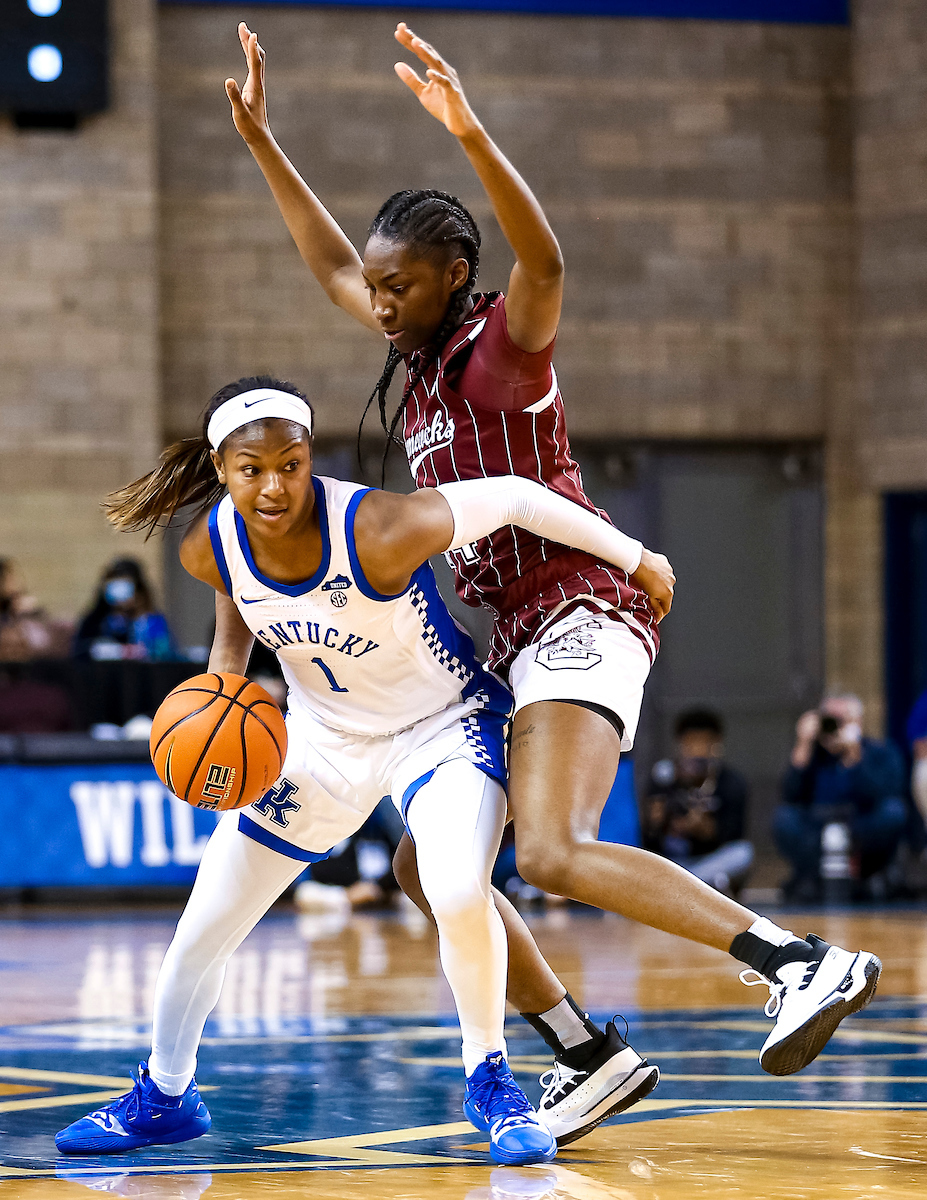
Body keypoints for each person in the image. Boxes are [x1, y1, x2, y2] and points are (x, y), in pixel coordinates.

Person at [227, 20, 882, 1108]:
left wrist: (470, 133)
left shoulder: (500, 351)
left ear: (452, 276)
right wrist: (260, 139)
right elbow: (333, 262)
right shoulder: (416, 362)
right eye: (377, 290)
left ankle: (799, 963)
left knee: (556, 853)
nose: (378, 304)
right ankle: (587, 1054)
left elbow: (547, 261)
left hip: (581, 605)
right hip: (518, 634)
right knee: (426, 868)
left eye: (399, 288)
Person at [56, 377, 672, 1162]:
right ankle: (165, 1095)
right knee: (206, 922)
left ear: (309, 455)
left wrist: (636, 557)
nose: (273, 487)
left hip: (441, 729)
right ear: (219, 468)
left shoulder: (377, 525)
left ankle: (490, 1082)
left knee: (455, 888)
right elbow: (236, 616)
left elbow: (517, 496)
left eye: (290, 464)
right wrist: (220, 699)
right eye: (251, 470)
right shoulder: (210, 543)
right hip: (321, 741)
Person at [775, 694, 907, 900]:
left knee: (893, 812)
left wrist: (854, 756)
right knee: (784, 818)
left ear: (858, 722)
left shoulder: (880, 752)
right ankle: (812, 879)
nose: (834, 728)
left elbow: (883, 794)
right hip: (817, 826)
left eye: (841, 721)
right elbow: (790, 795)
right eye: (829, 720)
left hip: (861, 824)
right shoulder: (813, 754)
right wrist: (803, 745)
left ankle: (866, 877)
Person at [643, 708, 753, 897]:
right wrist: (657, 822)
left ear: (717, 744)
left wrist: (703, 828)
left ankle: (682, 887)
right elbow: (648, 840)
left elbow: (734, 837)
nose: (697, 751)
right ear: (680, 744)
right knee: (645, 862)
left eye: (704, 743)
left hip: (709, 861)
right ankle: (701, 887)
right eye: (691, 743)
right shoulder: (663, 778)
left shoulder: (730, 782)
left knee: (743, 853)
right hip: (671, 862)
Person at [74, 558, 176, 662]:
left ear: (138, 592)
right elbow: (80, 651)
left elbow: (163, 653)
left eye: (125, 588)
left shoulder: (152, 622)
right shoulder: (97, 621)